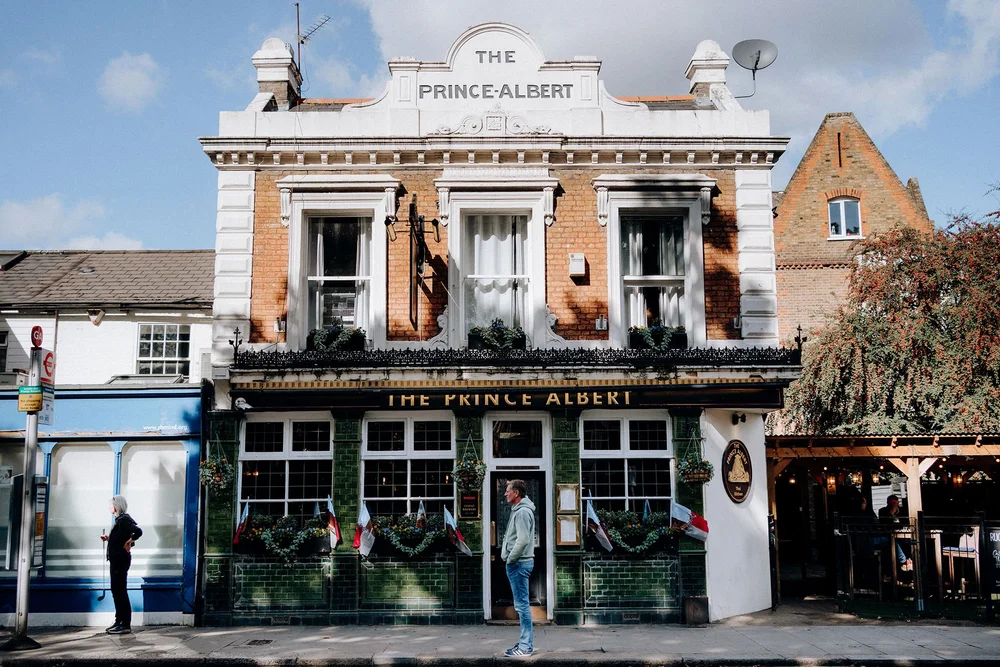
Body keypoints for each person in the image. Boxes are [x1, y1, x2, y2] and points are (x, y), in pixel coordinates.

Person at [500, 479, 535, 657]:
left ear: (516, 493)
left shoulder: (522, 513)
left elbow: (522, 540)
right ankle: (524, 642)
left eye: (508, 490)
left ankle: (526, 646)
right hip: (519, 563)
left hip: (519, 563)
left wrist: (510, 559)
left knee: (522, 606)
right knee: (522, 605)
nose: (505, 493)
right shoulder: (519, 510)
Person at [101, 494, 142, 634]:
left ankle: (125, 623)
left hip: (120, 561)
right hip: (117, 560)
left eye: (110, 505)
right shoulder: (119, 521)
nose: (109, 507)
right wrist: (109, 539)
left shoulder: (124, 520)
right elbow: (120, 539)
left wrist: (129, 542)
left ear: (116, 506)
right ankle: (119, 620)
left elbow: (138, 531)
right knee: (116, 590)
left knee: (120, 591)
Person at [877, 495, 911, 571]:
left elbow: (906, 522)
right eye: (892, 504)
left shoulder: (903, 511)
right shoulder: (882, 511)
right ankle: (904, 562)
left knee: (906, 542)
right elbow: (883, 523)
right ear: (887, 503)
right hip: (889, 534)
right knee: (894, 543)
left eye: (895, 503)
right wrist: (891, 513)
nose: (894, 505)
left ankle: (906, 562)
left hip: (902, 533)